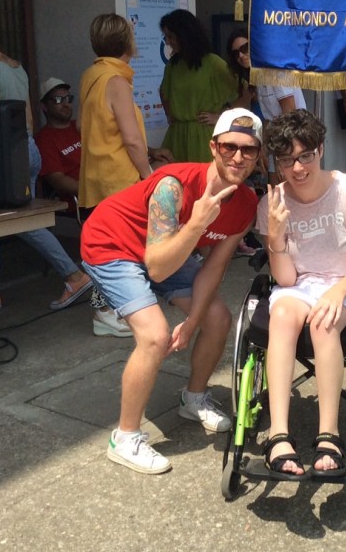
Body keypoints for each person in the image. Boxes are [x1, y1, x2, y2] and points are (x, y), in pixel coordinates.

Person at [80, 108, 262, 474]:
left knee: (217, 318)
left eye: (249, 149)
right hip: (112, 244)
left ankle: (193, 398)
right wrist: (196, 224)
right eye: (229, 147)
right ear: (213, 147)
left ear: (258, 155)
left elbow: (215, 267)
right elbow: (158, 267)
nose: (238, 157)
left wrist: (192, 322)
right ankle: (125, 438)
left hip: (166, 250)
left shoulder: (246, 203)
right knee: (154, 335)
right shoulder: (173, 186)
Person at [257, 109, 346, 478]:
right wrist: (275, 235)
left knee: (323, 324)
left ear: (321, 149)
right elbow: (285, 278)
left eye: (305, 156)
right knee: (281, 315)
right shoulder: (272, 204)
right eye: (286, 160)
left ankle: (329, 434)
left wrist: (338, 291)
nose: (297, 169)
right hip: (300, 285)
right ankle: (278, 435)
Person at [0, 10, 92, 313]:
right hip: (27, 149)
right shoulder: (16, 67)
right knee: (22, 221)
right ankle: (72, 275)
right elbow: (26, 117)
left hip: (2, 155)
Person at [79, 13, 172, 212]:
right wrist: (148, 176)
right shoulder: (116, 81)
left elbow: (81, 125)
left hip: (96, 180)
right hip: (120, 183)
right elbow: (132, 140)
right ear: (128, 43)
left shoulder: (90, 75)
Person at [159, 9, 245, 163]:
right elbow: (163, 92)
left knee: (204, 176)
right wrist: (171, 117)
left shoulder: (212, 62)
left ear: (184, 34)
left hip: (204, 136)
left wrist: (221, 117)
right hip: (177, 136)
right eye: (166, 37)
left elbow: (243, 90)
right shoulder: (173, 65)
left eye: (171, 36)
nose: (168, 41)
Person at [226, 27, 306, 188]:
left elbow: (290, 115)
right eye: (236, 53)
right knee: (275, 192)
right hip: (277, 140)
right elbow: (269, 120)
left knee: (291, 192)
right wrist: (263, 147)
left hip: (293, 140)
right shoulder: (257, 77)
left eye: (245, 48)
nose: (241, 55)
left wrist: (281, 155)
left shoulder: (276, 71)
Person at [34, 77, 81, 214]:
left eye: (68, 99)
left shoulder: (79, 126)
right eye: (58, 100)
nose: (66, 104)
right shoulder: (43, 139)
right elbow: (58, 180)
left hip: (107, 186)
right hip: (83, 199)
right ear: (44, 106)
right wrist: (93, 191)